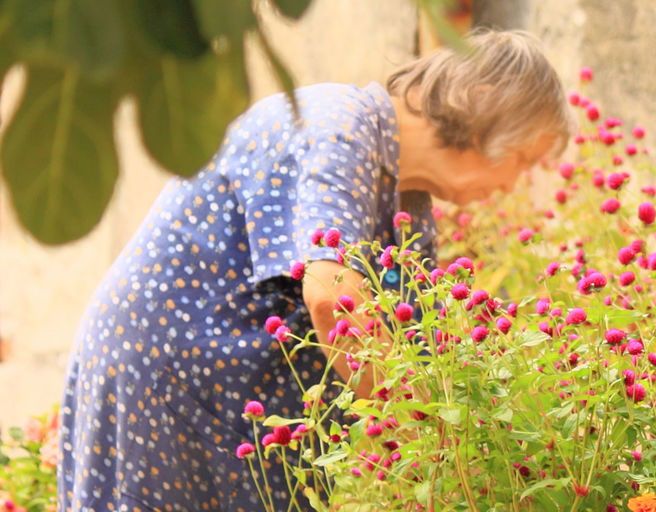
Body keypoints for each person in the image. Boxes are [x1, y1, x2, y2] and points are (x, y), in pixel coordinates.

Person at [57, 29, 572, 511]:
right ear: (482, 106)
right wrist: (424, 434)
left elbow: (412, 350)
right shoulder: (337, 124)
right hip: (165, 382)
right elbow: (333, 299)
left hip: (229, 404)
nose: (515, 184)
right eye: (523, 158)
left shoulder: (407, 199)